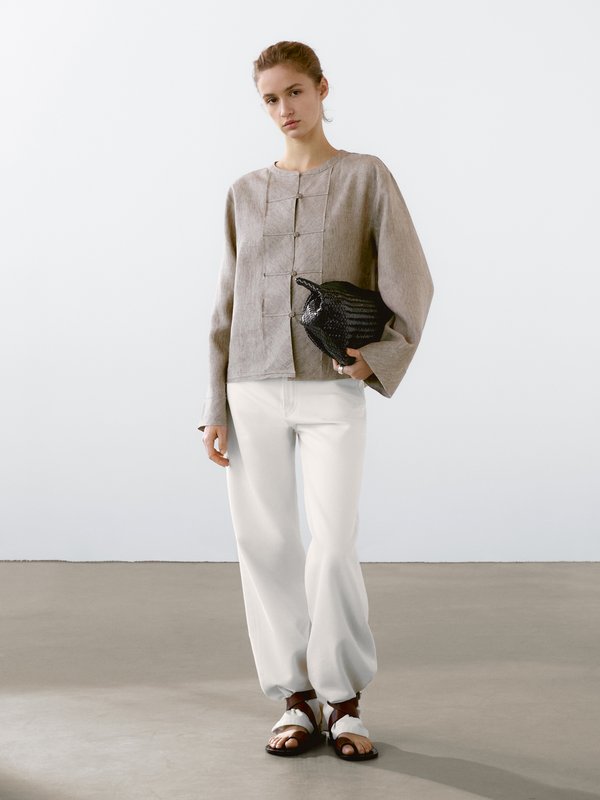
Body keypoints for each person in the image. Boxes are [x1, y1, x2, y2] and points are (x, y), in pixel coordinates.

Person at [198, 40, 434, 762]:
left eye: (295, 92)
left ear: (322, 89)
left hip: (333, 386)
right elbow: (226, 303)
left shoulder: (366, 177)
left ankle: (344, 698)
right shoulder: (244, 192)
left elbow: (412, 280)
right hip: (251, 385)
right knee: (264, 544)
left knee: (331, 547)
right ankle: (294, 699)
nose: (284, 109)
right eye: (270, 99)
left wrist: (379, 357)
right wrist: (215, 405)